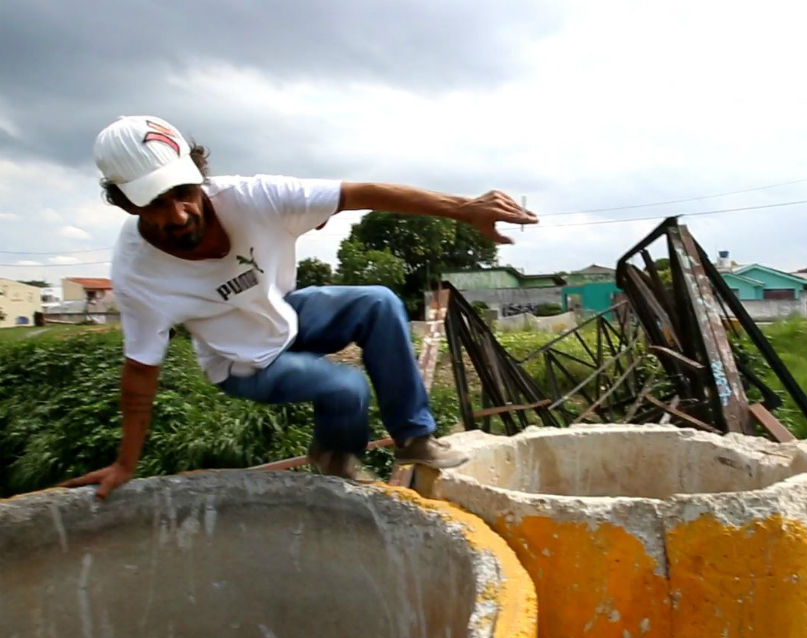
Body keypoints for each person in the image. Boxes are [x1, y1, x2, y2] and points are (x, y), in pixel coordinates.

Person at [62, 115, 537, 498]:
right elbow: (140, 370)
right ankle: (335, 458)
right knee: (345, 387)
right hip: (241, 363)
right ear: (127, 204)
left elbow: (360, 193)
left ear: (199, 177)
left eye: (184, 194)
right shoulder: (138, 272)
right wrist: (126, 463)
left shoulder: (254, 197)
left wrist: (464, 207)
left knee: (379, 302)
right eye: (155, 204)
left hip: (284, 315)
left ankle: (414, 438)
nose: (179, 215)